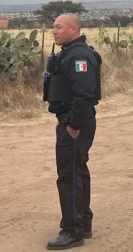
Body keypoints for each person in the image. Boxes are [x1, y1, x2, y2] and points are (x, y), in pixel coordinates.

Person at [43, 13, 102, 250]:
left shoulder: (79, 56)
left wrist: (73, 125)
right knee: (77, 171)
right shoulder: (69, 52)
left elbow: (85, 95)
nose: (54, 31)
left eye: (59, 27)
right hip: (71, 120)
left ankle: (72, 231)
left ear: (74, 29)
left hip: (75, 122)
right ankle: (82, 222)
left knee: (69, 176)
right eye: (53, 27)